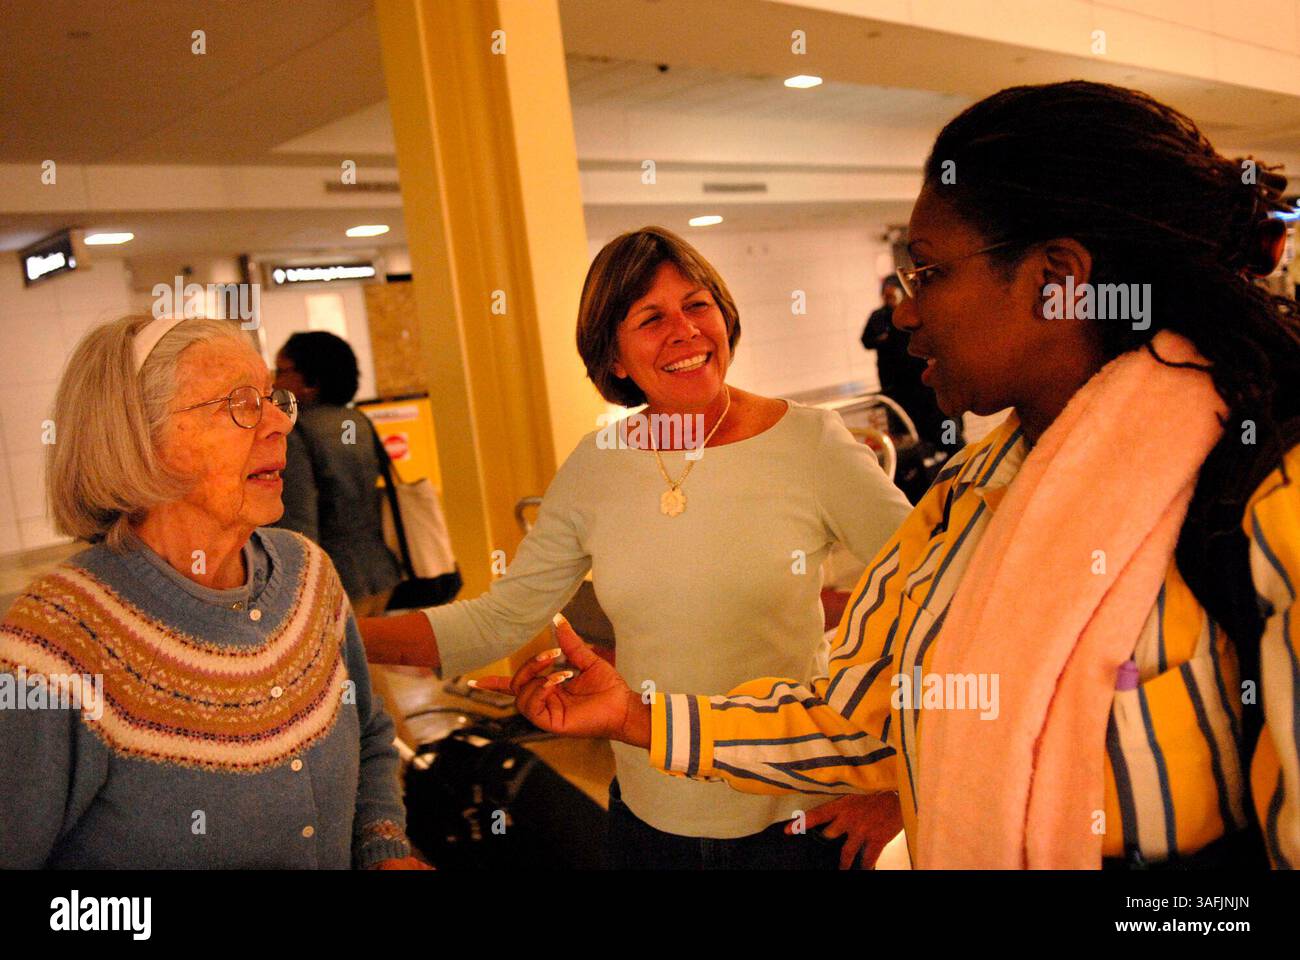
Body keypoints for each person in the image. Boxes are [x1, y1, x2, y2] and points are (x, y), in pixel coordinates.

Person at [482, 81, 1300, 870]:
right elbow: (856, 717)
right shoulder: (969, 499)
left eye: (931, 272)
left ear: (1057, 278)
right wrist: (634, 713)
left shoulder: (1258, 496)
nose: (905, 310)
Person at [361, 227, 913, 869]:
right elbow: (499, 620)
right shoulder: (597, 468)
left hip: (796, 821)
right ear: (616, 358)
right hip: (648, 818)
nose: (684, 331)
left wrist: (898, 788)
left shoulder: (812, 444)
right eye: (651, 318)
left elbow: (941, 604)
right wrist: (332, 631)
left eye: (698, 305)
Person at [0, 315, 424, 869]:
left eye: (273, 398)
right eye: (240, 403)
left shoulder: (308, 576)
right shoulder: (53, 647)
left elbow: (368, 734)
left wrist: (383, 850)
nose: (279, 423)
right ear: (139, 438)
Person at [273, 331, 403, 617]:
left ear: (311, 382)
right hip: (380, 571)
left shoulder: (298, 433)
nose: (275, 382)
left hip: (337, 578)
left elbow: (299, 522)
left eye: (282, 371)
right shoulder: (358, 421)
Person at [861, 275, 957, 452]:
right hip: (898, 387)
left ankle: (952, 455)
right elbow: (866, 340)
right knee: (914, 434)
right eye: (886, 296)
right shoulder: (879, 316)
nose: (889, 300)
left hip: (924, 385)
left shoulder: (917, 313)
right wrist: (883, 340)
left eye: (893, 295)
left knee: (946, 433)